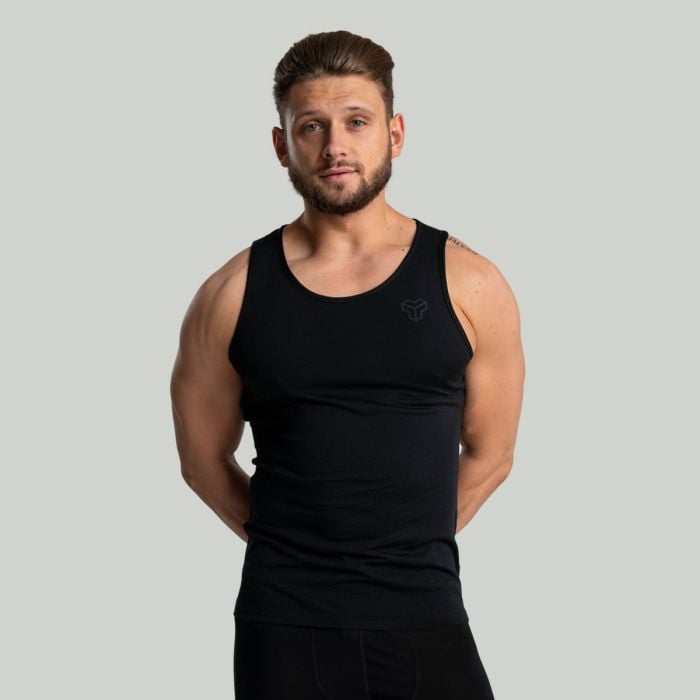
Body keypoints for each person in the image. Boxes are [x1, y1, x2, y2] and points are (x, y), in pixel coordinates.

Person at [170, 29, 525, 700]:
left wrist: (401, 550)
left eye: (356, 122)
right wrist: (298, 552)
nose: (335, 146)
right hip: (284, 626)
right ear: (283, 146)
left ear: (394, 134)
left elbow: (492, 453)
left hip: (426, 613)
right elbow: (201, 462)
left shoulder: (470, 283)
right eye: (311, 126)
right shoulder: (229, 295)